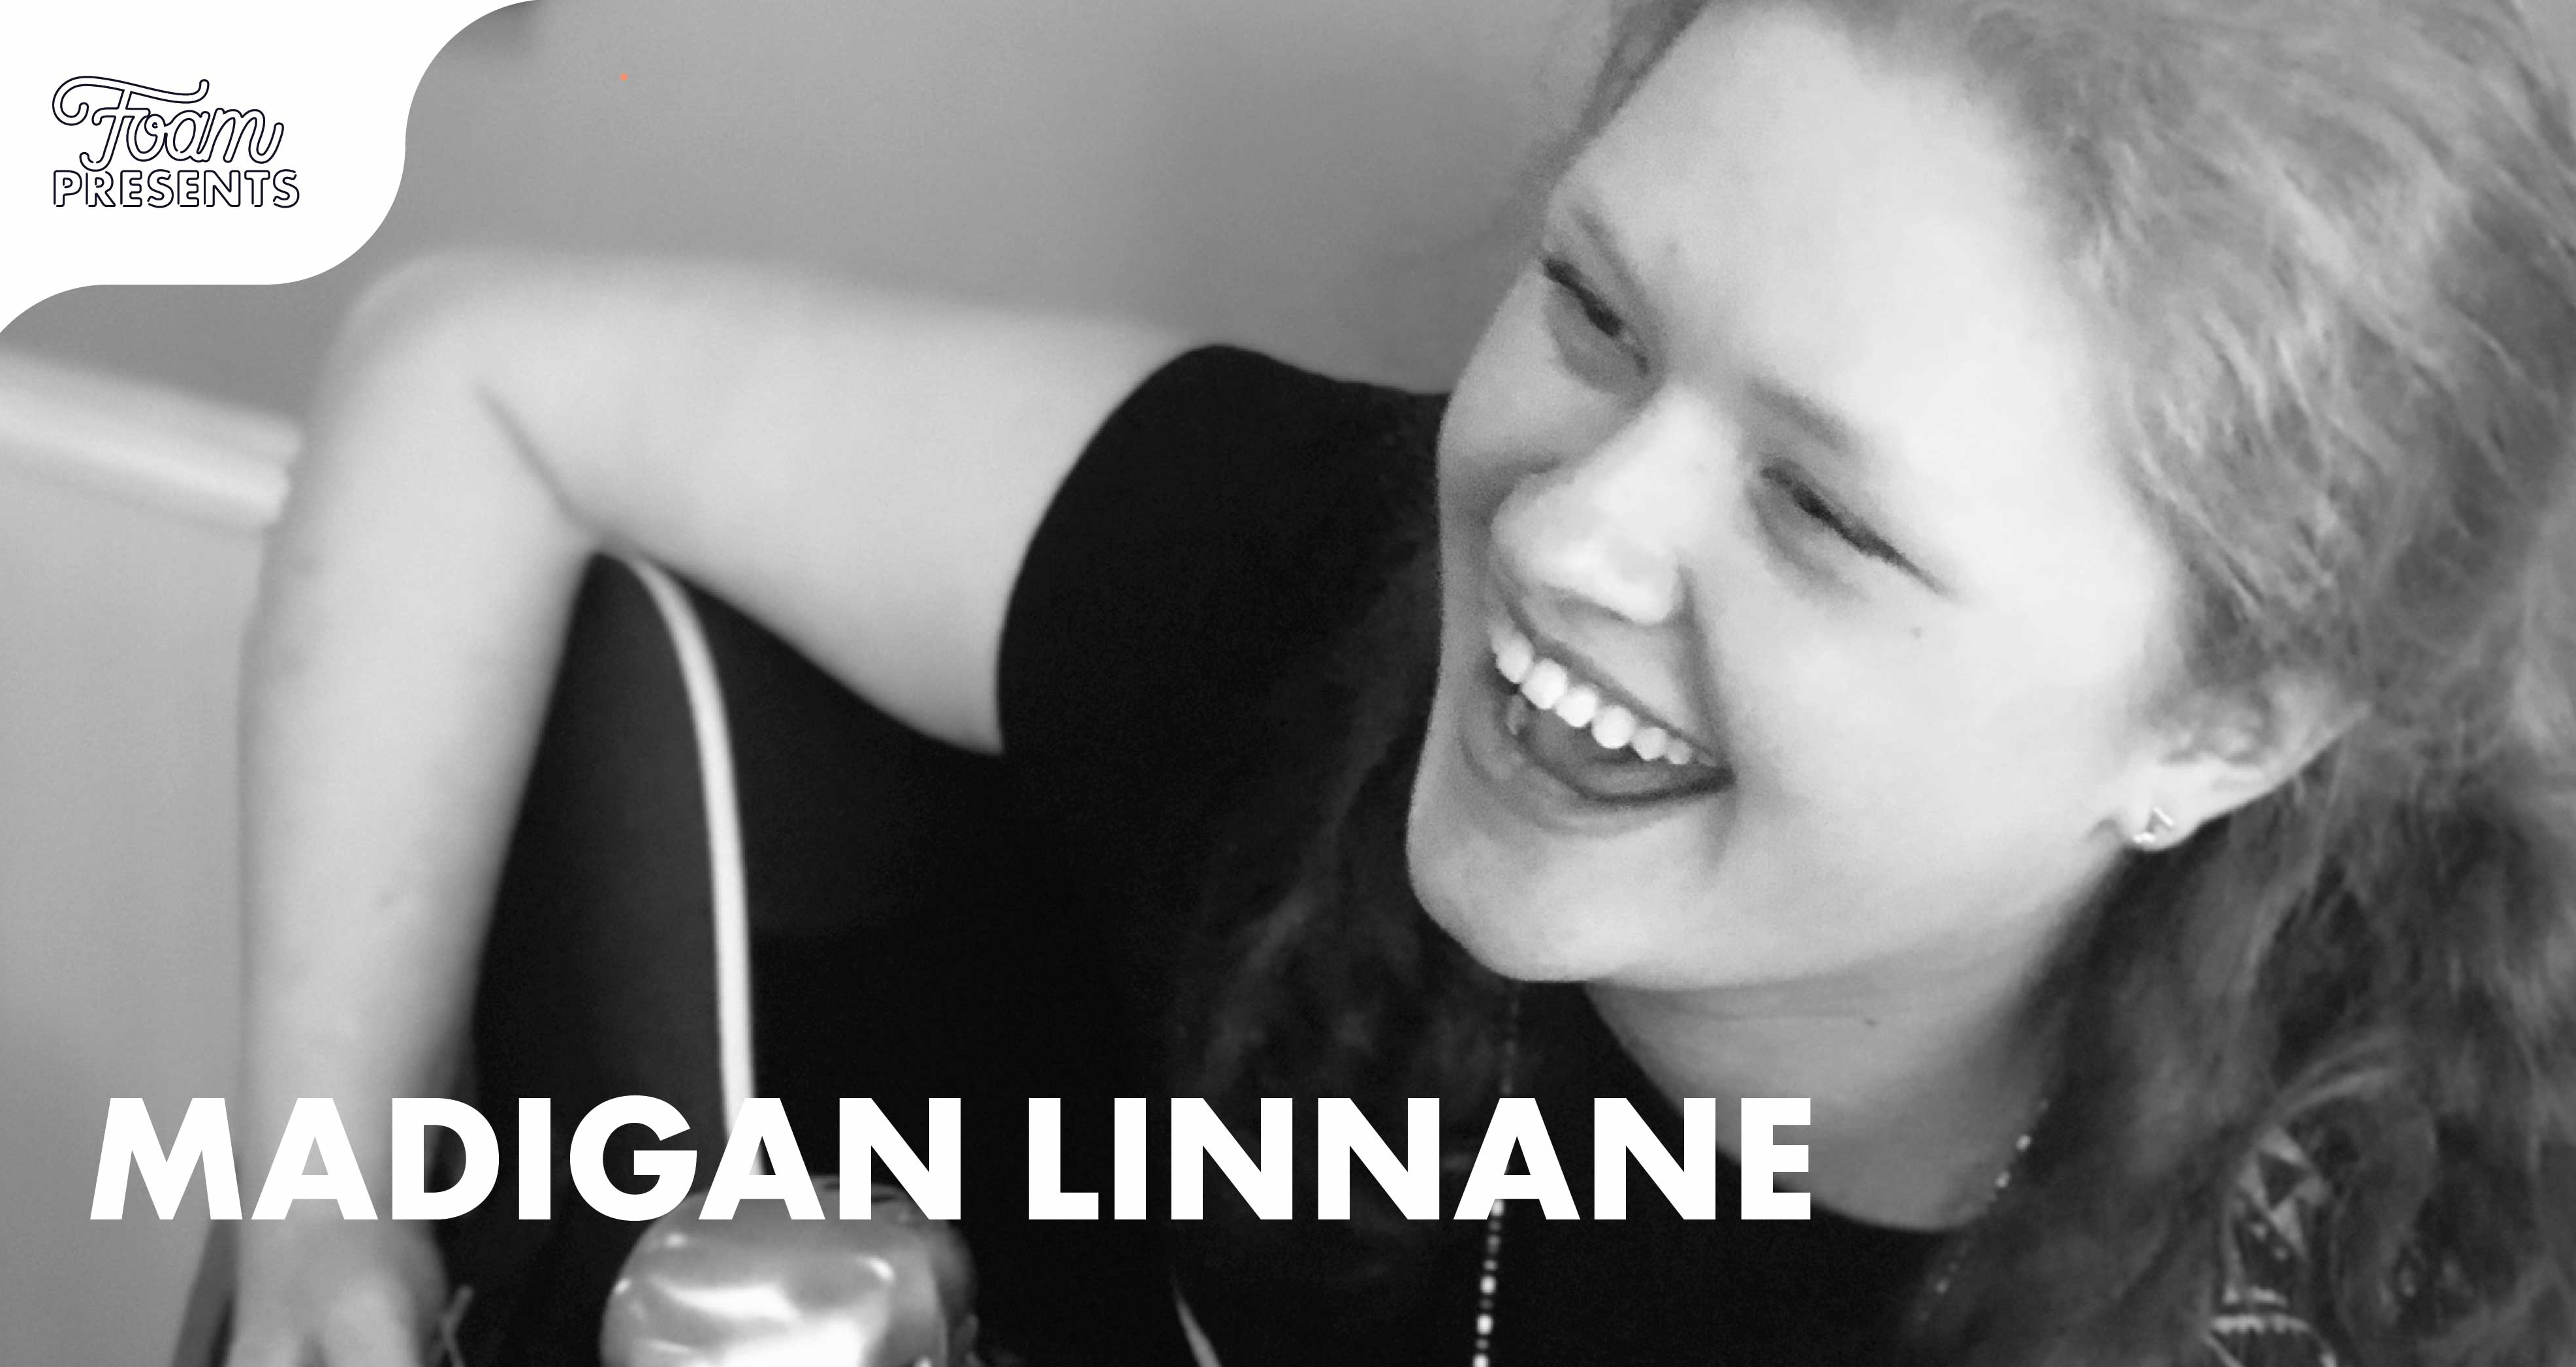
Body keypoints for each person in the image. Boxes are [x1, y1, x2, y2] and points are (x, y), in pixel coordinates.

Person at [228, 0, 2576, 1362]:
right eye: (1594, 311)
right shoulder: (1319, 613)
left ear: (2224, 723)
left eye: (1822, 514)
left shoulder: (2439, 1270)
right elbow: (475, 374)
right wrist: (336, 1219)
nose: (1559, 536)